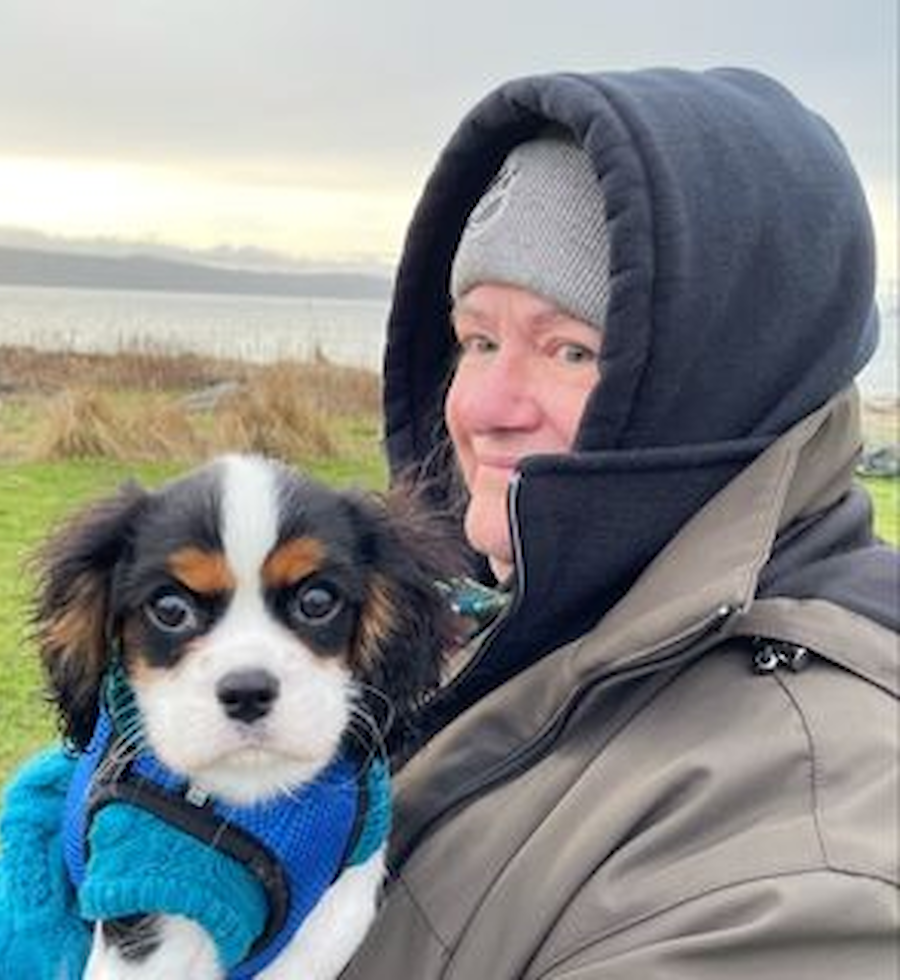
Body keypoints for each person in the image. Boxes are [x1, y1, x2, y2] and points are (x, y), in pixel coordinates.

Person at [341, 67, 899, 978]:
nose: (482, 405)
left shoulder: (808, 824)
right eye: (477, 339)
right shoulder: (508, 624)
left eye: (571, 350)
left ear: (720, 386)